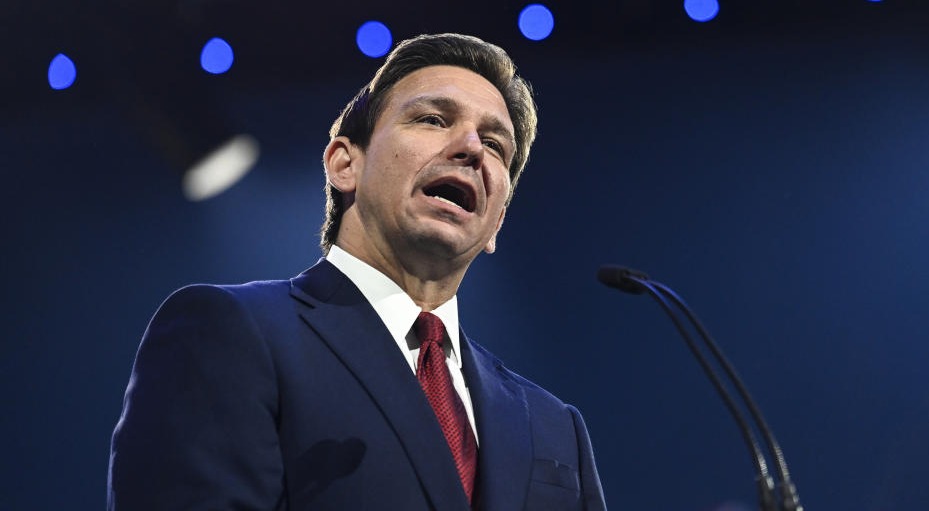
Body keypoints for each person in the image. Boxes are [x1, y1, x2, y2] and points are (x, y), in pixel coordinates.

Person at [107, 33, 606, 510]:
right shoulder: (229, 333)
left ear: (496, 221)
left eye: (496, 145)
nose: (472, 148)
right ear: (345, 163)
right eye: (433, 119)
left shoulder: (552, 424)